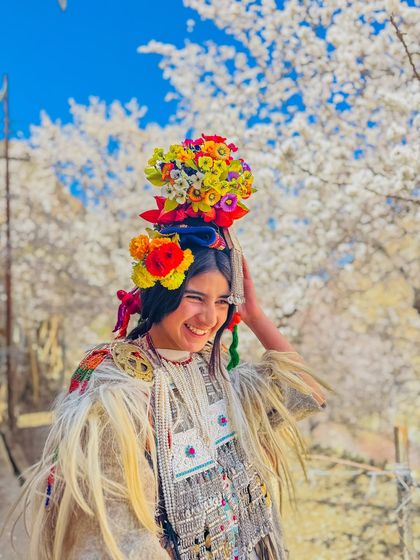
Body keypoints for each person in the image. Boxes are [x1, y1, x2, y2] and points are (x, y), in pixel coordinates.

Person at [16, 134, 333, 560]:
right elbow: (121, 537)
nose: (210, 319)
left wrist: (256, 315)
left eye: (223, 301)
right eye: (195, 298)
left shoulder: (217, 375)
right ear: (163, 290)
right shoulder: (118, 386)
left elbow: (307, 392)